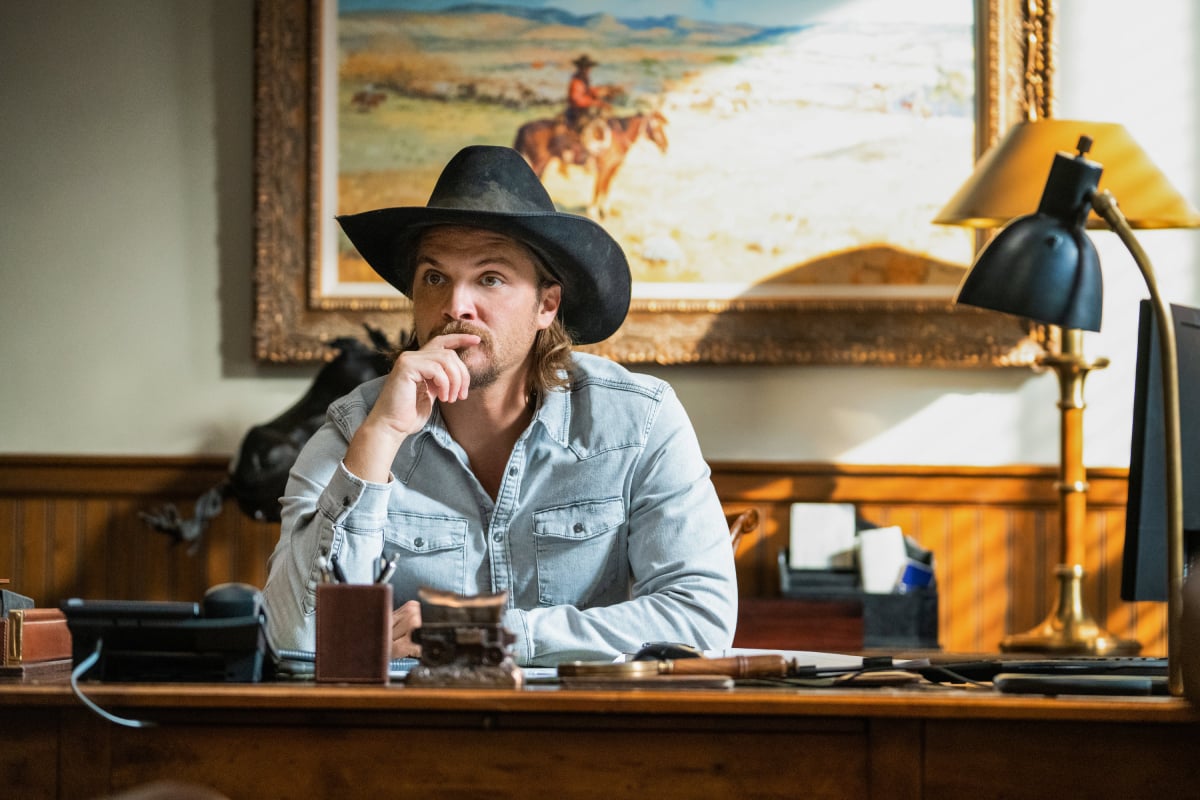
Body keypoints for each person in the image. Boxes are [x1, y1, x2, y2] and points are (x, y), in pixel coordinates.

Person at [262, 145, 737, 666]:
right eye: (434, 278)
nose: (455, 307)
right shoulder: (358, 428)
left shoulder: (639, 421)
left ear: (546, 304)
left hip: (588, 734)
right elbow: (294, 638)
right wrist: (379, 441)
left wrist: (478, 634)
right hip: (416, 738)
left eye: (490, 278)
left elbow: (701, 618)